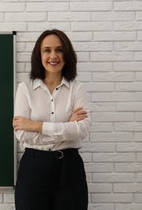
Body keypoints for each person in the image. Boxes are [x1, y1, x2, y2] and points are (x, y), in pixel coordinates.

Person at [13, 29, 91, 210]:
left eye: (59, 50)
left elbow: (81, 130)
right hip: (33, 169)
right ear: (38, 55)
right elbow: (22, 135)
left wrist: (36, 125)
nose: (53, 55)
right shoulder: (25, 89)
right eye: (47, 50)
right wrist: (66, 129)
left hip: (70, 169)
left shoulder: (77, 89)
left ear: (67, 54)